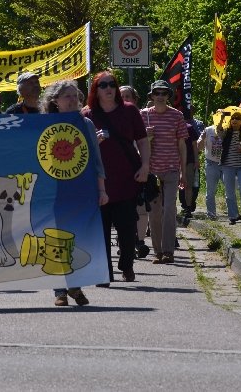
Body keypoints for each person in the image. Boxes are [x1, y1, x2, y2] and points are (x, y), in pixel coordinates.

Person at [41, 80, 108, 306]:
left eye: (74, 96)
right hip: (52, 192)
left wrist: (102, 189)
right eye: (66, 96)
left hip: (81, 189)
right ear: (55, 101)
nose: (72, 100)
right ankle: (60, 290)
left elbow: (96, 159)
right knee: (56, 237)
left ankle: (75, 284)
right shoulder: (42, 124)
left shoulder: (86, 124)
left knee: (78, 236)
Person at [81, 71, 149, 284]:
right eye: (103, 85)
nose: (109, 88)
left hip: (126, 179)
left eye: (112, 84)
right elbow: (76, 148)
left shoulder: (129, 111)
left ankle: (127, 265)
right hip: (97, 182)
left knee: (127, 229)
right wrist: (93, 142)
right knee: (100, 231)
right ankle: (104, 272)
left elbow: (143, 140)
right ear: (95, 90)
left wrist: (145, 166)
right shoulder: (86, 115)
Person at [140, 81, 189, 264]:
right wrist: (146, 136)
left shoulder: (177, 115)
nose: (160, 96)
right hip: (152, 172)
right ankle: (158, 252)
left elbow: (182, 145)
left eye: (164, 93)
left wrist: (184, 172)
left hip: (171, 169)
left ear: (168, 96)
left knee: (169, 210)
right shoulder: (144, 115)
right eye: (157, 93)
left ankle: (168, 251)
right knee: (154, 213)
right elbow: (136, 143)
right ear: (151, 96)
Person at [120, 85, 152, 260]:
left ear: (135, 99)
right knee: (123, 210)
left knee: (140, 207)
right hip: (119, 170)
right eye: (122, 96)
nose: (125, 99)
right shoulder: (111, 116)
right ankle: (125, 242)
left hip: (139, 168)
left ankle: (139, 241)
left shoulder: (143, 116)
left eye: (128, 96)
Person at [220, 111, 241, 224]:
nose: (234, 120)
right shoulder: (226, 132)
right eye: (233, 118)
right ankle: (233, 216)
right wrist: (222, 118)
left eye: (237, 118)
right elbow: (218, 132)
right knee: (229, 192)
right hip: (227, 166)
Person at [197, 113, 226, 220]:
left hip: (225, 164)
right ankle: (211, 214)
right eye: (219, 117)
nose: (221, 119)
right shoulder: (208, 130)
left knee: (230, 188)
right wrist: (202, 138)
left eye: (223, 117)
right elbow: (199, 147)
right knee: (211, 191)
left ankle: (232, 214)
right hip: (211, 163)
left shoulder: (228, 130)